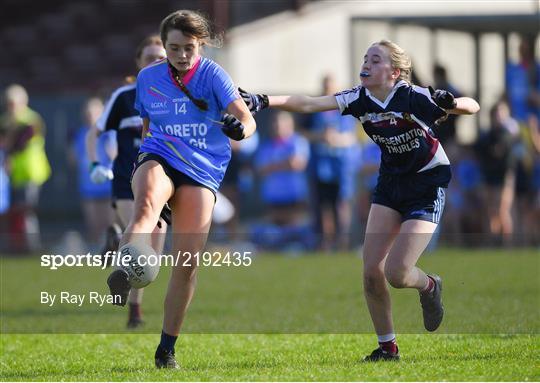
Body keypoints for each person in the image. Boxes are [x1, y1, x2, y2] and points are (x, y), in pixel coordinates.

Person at [240, 39, 479, 361]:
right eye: (366, 57)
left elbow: (472, 106)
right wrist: (264, 100)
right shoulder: (359, 98)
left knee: (397, 273)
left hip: (427, 183)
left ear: (394, 72)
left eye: (375, 59)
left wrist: (451, 101)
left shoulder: (412, 96)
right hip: (390, 184)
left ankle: (429, 286)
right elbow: (309, 103)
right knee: (371, 272)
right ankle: (387, 348)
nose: (366, 63)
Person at [105, 10, 256, 369]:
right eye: (174, 47)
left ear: (199, 44)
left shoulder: (215, 75)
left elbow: (247, 120)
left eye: (188, 48)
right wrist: (143, 159)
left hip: (202, 169)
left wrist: (240, 129)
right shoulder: (148, 78)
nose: (181, 55)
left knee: (187, 264)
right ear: (164, 45)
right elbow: (147, 126)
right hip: (159, 154)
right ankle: (126, 271)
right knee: (145, 206)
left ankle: (166, 349)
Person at [87, 35, 168, 329]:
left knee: (152, 257)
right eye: (149, 57)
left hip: (159, 182)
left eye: (161, 56)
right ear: (138, 63)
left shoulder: (174, 97)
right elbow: (94, 133)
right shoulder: (124, 97)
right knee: (140, 244)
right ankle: (134, 312)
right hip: (125, 180)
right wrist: (97, 162)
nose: (156, 62)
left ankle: (116, 236)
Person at [304, 74, 359, 251]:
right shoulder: (314, 109)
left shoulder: (347, 108)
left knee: (341, 204)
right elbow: (302, 133)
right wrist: (320, 136)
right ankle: (324, 242)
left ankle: (342, 241)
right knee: (322, 205)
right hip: (320, 165)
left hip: (340, 166)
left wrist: (337, 139)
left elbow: (353, 137)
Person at [0, 84, 51, 253]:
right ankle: (16, 246)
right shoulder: (6, 121)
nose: (11, 107)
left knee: (27, 211)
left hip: (30, 174)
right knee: (13, 212)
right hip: (12, 176)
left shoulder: (31, 120)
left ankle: (32, 246)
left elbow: (18, 144)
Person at [72, 97, 115, 248]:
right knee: (94, 224)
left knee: (111, 224)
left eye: (94, 113)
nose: (90, 116)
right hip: (88, 186)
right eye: (88, 113)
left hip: (108, 185)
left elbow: (113, 153)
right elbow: (75, 158)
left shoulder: (108, 133)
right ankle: (98, 250)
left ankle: (114, 250)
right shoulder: (80, 134)